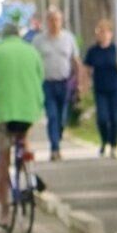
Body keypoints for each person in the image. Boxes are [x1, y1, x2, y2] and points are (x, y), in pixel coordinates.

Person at [0, 14, 45, 214]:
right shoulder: (32, 52)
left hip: (4, 113)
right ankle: (29, 173)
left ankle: (3, 204)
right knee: (23, 142)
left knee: (4, 157)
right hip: (29, 111)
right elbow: (40, 78)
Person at [33, 8, 81, 159]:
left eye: (57, 20)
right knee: (52, 116)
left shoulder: (69, 38)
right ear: (47, 22)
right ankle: (55, 148)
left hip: (65, 83)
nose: (54, 23)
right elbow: (33, 62)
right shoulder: (38, 41)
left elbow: (75, 61)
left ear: (61, 22)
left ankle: (58, 135)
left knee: (62, 117)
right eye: (51, 20)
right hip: (47, 84)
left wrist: (79, 82)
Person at [83, 17, 117, 155]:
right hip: (100, 89)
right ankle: (104, 141)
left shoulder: (116, 50)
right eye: (99, 31)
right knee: (102, 118)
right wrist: (84, 85)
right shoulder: (93, 51)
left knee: (115, 117)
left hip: (115, 89)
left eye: (105, 31)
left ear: (110, 33)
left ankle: (114, 145)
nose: (102, 34)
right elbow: (86, 69)